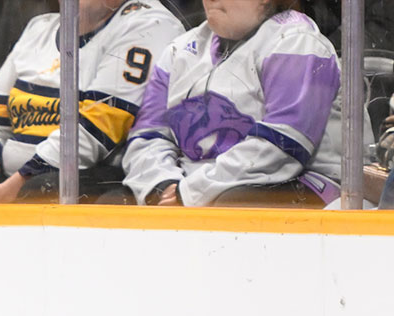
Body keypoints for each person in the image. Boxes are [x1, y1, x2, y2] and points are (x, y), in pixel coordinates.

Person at [0, 0, 184, 204]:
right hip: (13, 180)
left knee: (39, 192)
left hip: (90, 176)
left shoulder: (150, 23)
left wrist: (12, 187)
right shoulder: (39, 28)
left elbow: (95, 132)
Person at [122, 0, 344, 207]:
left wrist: (188, 193)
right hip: (198, 185)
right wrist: (161, 185)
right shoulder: (180, 49)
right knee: (117, 200)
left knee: (231, 206)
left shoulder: (297, 41)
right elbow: (148, 136)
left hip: (307, 181)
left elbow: (280, 148)